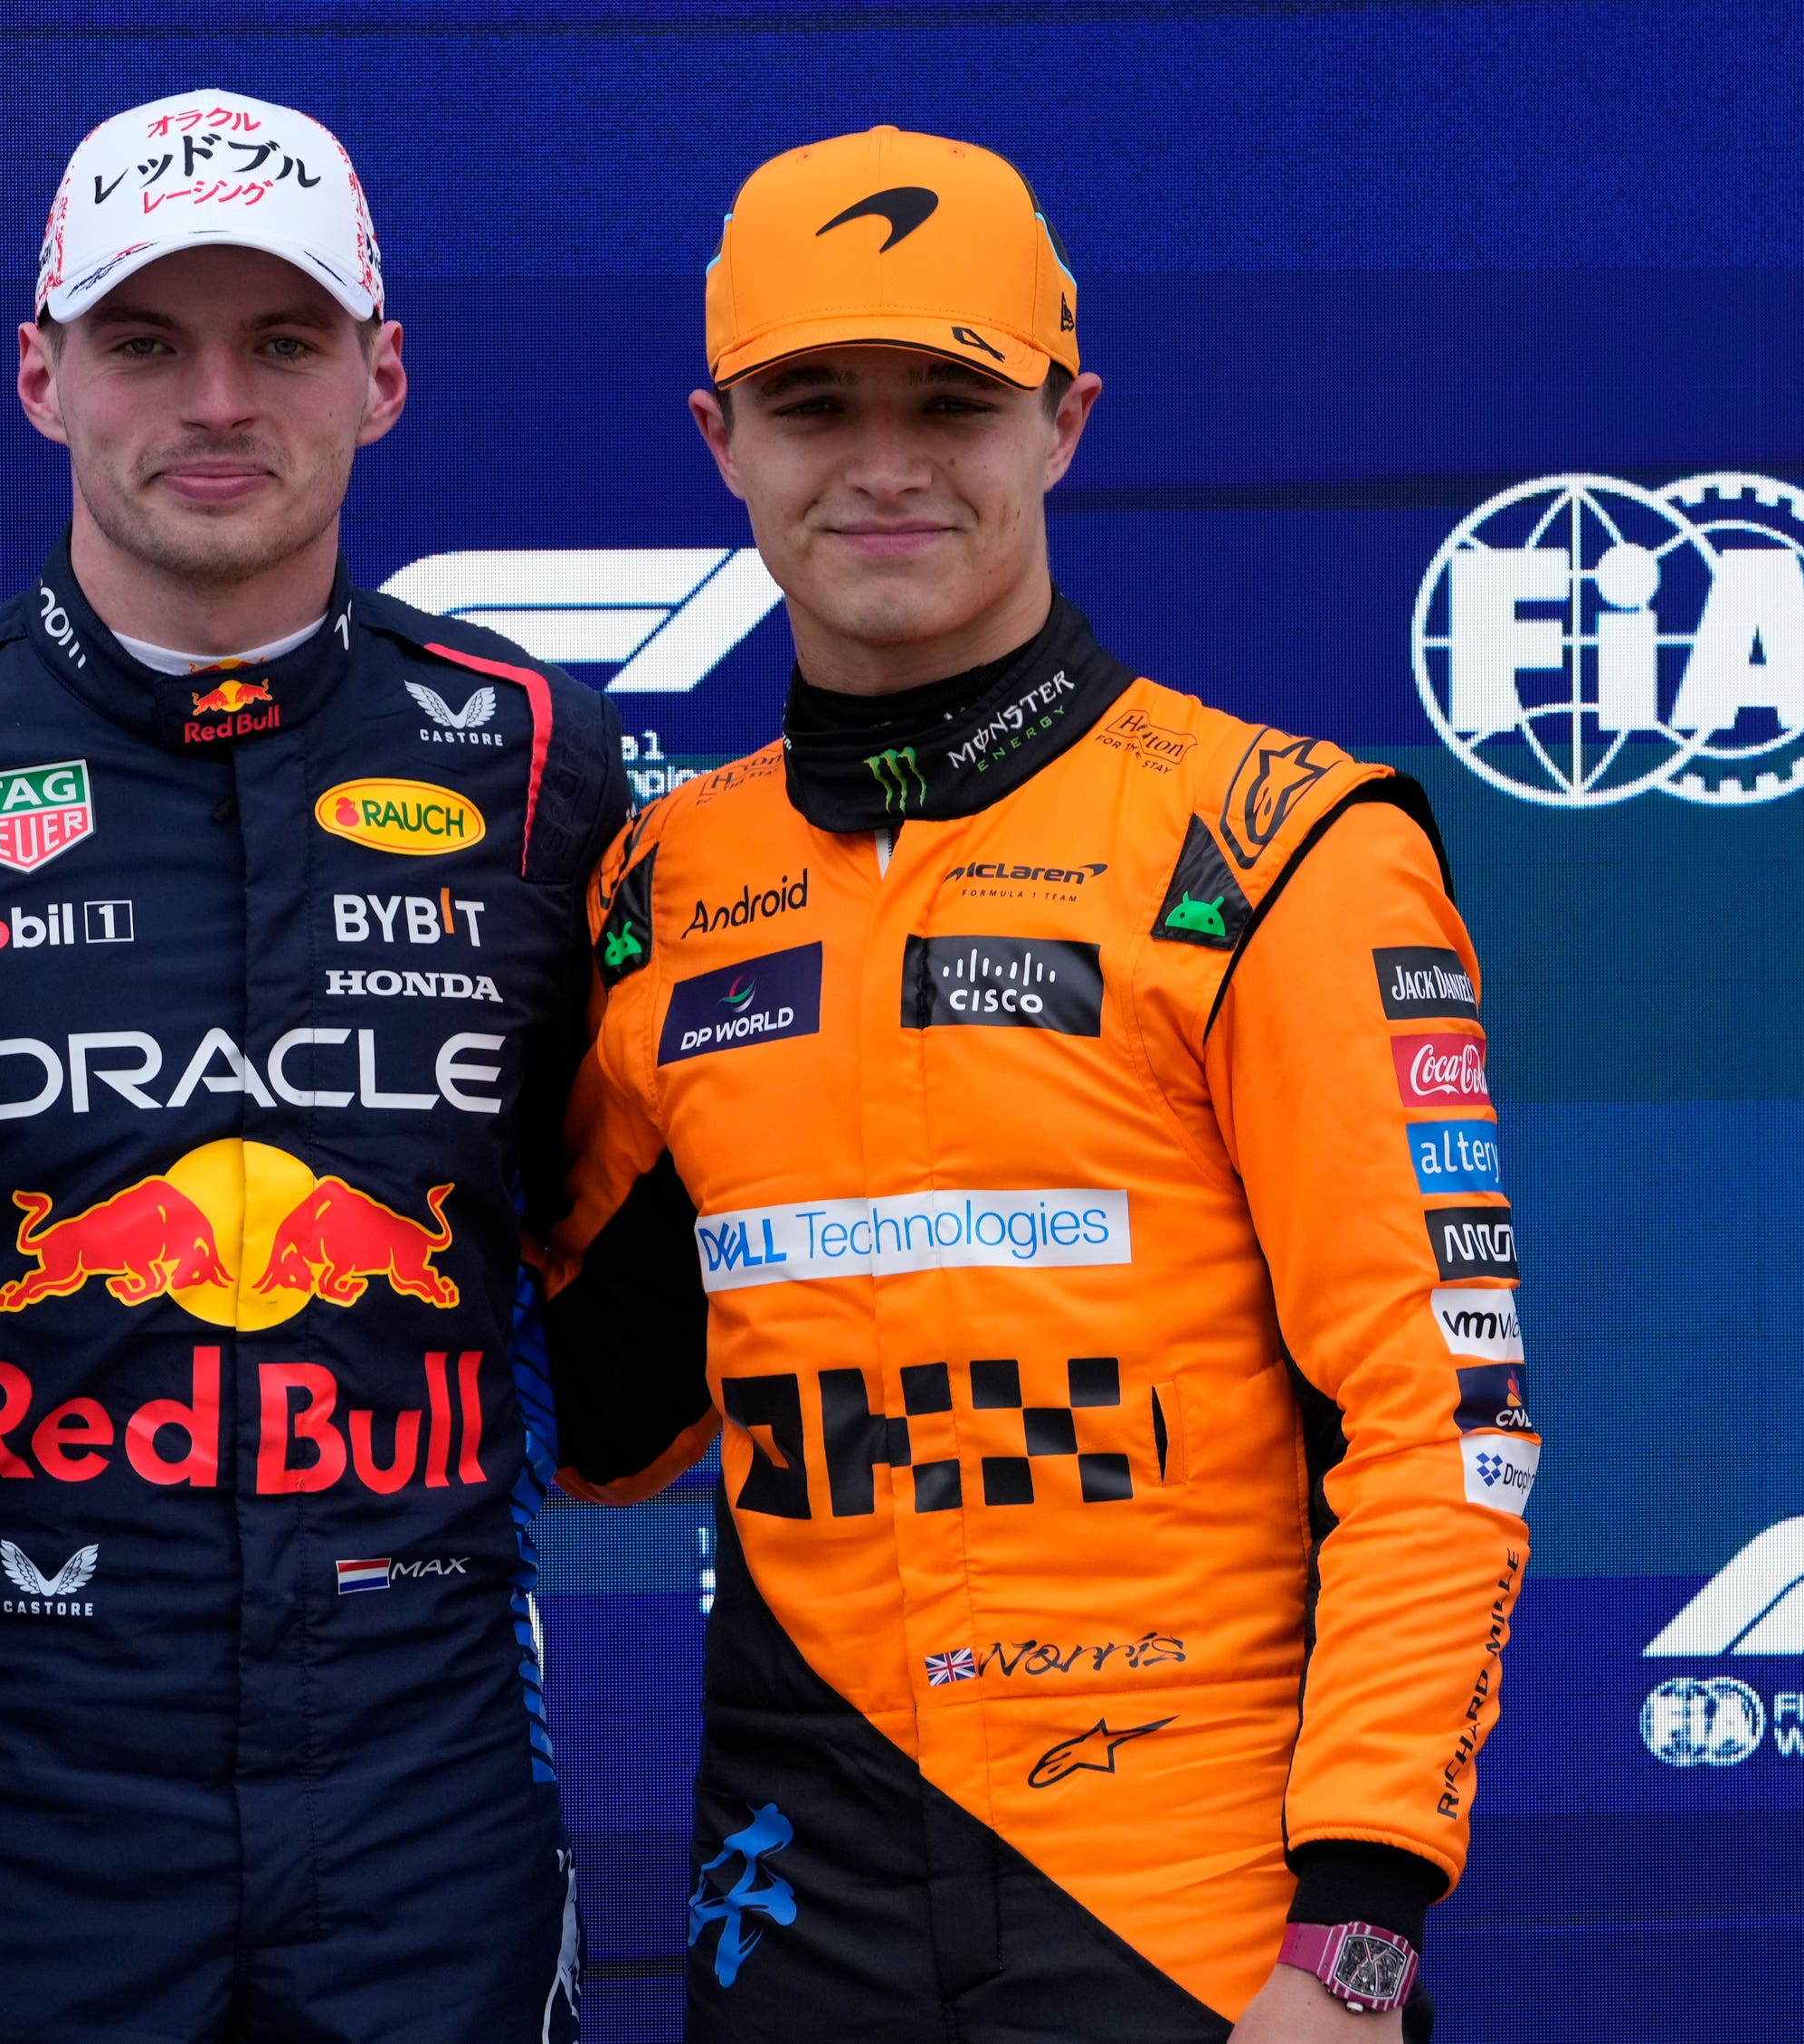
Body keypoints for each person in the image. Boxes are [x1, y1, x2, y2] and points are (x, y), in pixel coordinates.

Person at [541, 128, 1530, 2043]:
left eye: (954, 399)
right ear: (715, 435)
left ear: (1064, 421)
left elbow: (1440, 1424)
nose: (885, 461)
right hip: (795, 1891)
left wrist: (1351, 1948)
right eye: (814, 400)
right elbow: (602, 1416)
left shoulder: (1275, 846)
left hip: (1190, 1910)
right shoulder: (656, 892)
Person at [0, 88, 622, 2044]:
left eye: (279, 342)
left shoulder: (534, 760)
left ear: (380, 379)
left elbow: (606, 1233)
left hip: (425, 1795)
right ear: (40, 376)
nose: (215, 400)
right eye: (145, 342)